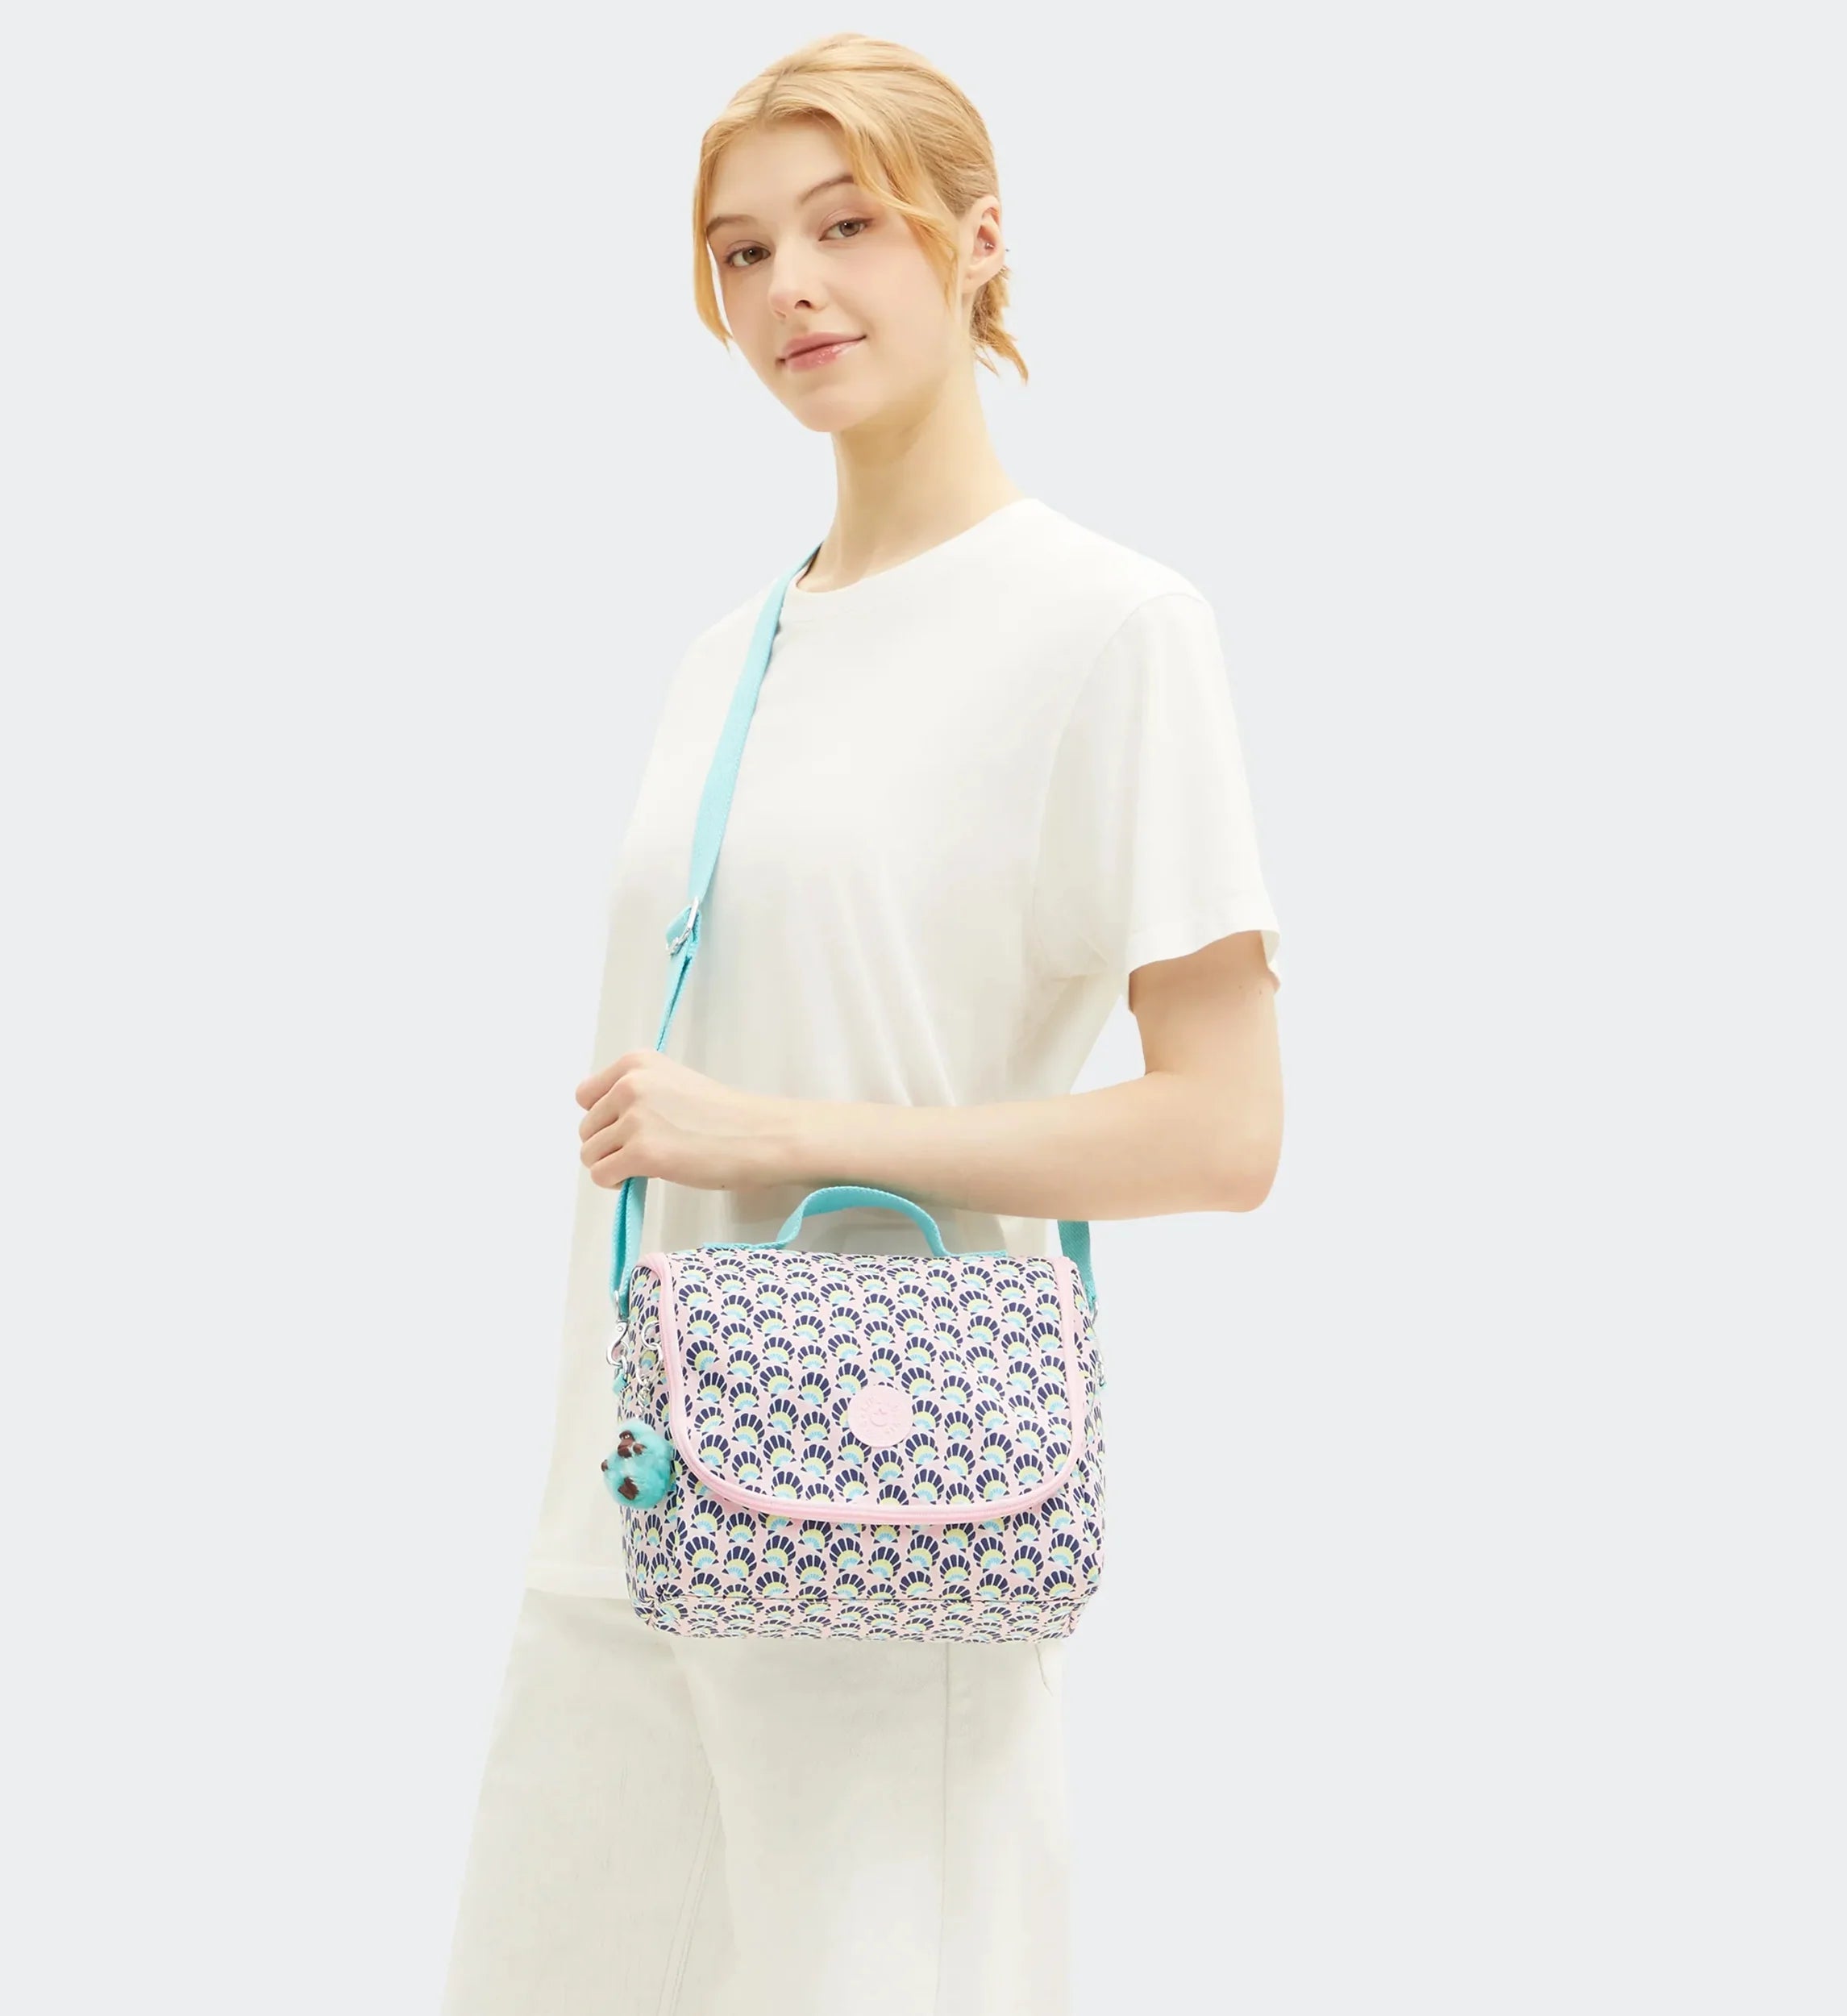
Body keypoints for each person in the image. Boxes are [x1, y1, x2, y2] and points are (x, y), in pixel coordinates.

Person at [439, 31, 1283, 2016]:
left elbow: (1221, 1130)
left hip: (888, 1508)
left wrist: (779, 1134)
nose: (788, 288)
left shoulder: (1110, 628)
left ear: (976, 243)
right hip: (634, 1495)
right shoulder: (723, 656)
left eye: (846, 226)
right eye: (740, 251)